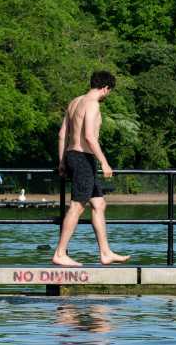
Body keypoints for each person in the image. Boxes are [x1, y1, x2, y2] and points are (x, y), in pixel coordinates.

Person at [52, 71, 130, 267]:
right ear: (105, 88)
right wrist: (104, 162)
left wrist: (62, 162)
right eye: (109, 91)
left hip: (71, 155)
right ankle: (60, 253)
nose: (107, 95)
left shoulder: (74, 102)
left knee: (99, 204)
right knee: (77, 206)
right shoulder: (93, 105)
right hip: (82, 158)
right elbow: (89, 136)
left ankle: (105, 252)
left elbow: (62, 134)